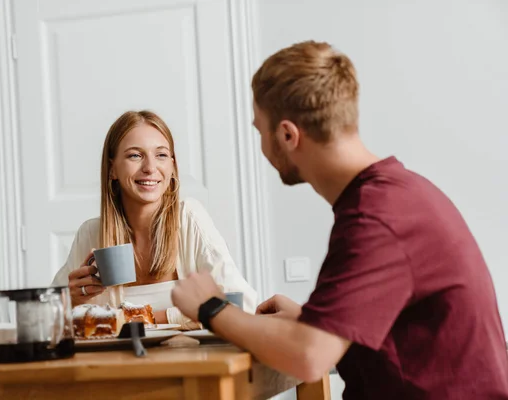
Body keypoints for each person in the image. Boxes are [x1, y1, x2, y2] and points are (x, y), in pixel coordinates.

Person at [171, 41, 508, 398]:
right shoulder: (398, 193)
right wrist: (310, 320)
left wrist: (211, 307)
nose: (261, 146)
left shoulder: (376, 218)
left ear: (287, 135)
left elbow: (309, 358)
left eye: (260, 131)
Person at [52, 110, 256, 329]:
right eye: (135, 155)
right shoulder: (91, 233)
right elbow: (46, 320)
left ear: (172, 166)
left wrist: (150, 318)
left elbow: (240, 303)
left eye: (161, 155)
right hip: (116, 363)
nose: (150, 168)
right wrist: (71, 301)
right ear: (112, 169)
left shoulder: (189, 220)